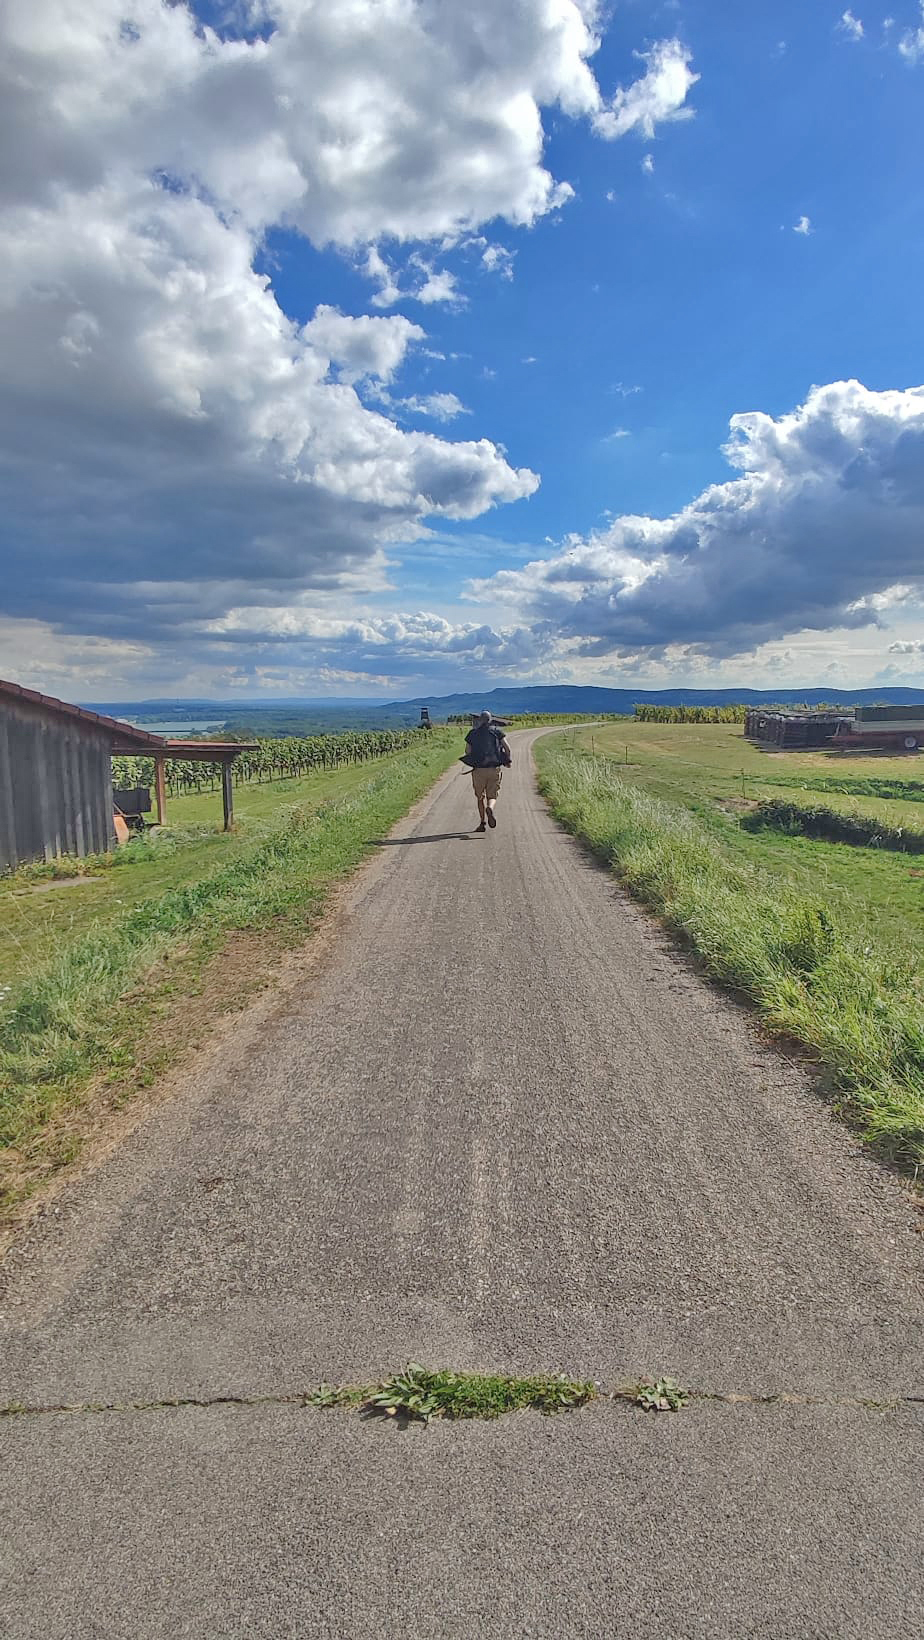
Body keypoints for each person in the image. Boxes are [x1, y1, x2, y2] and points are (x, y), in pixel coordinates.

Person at [464, 711, 511, 832]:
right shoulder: (497, 732)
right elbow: (507, 748)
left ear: (480, 720)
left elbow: (467, 751)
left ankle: (482, 823)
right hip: (494, 769)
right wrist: (507, 760)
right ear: (490, 720)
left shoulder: (472, 734)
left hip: (478, 770)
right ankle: (490, 807)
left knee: (480, 797)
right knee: (492, 795)